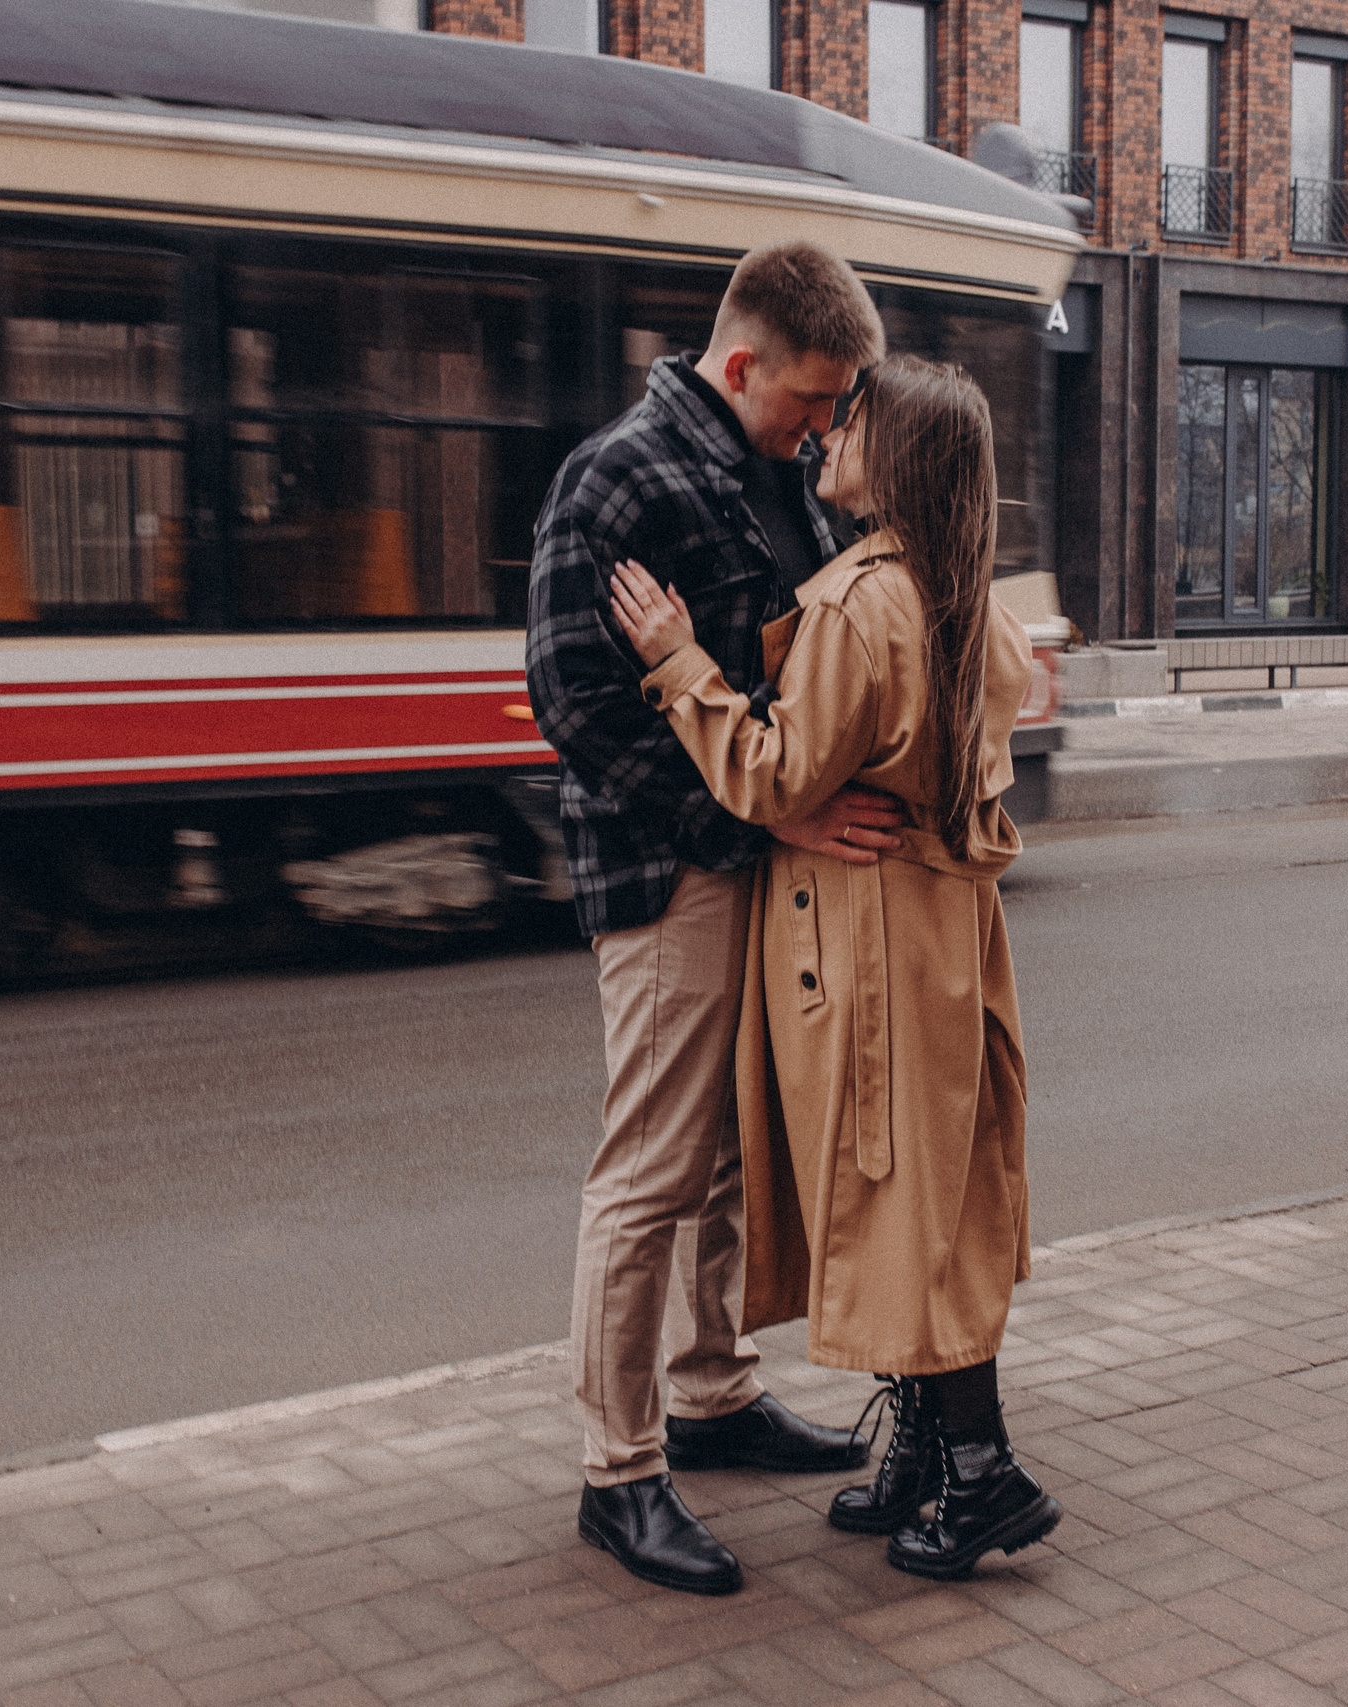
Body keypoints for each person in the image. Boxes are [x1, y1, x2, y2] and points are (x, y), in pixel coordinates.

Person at [605, 354, 1061, 1581]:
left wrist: (679, 662)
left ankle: (980, 1478)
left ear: (895, 453)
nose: (826, 439)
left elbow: (773, 774)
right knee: (931, 1186)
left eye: (849, 421)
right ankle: (921, 1457)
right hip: (943, 941)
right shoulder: (971, 598)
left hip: (862, 946)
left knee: (901, 1193)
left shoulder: (862, 605)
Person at [524, 241, 910, 1597]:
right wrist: (758, 818)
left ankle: (710, 1389)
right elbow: (572, 707)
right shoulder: (621, 474)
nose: (825, 427)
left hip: (756, 860)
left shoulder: (785, 463)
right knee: (650, 1165)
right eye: (810, 400)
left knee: (732, 1150)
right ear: (740, 363)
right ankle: (619, 1472)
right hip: (671, 873)